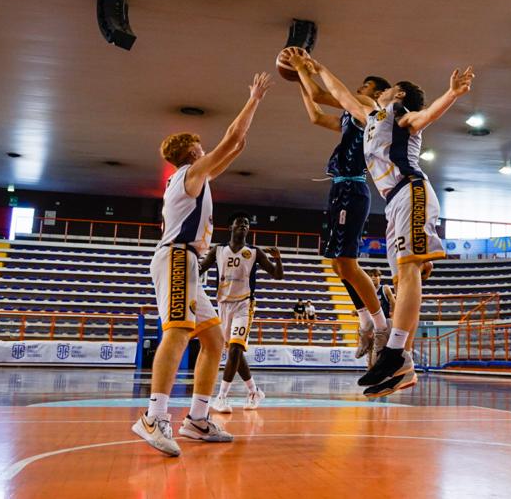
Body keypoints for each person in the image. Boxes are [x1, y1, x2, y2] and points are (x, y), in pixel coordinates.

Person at [296, 53, 474, 396]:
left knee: (408, 273)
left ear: (400, 95)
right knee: (402, 277)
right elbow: (343, 95)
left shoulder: (401, 116)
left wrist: (451, 94)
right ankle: (401, 365)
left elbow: (426, 117)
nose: (384, 90)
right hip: (393, 202)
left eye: (390, 88)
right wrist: (316, 68)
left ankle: (395, 352)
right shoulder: (371, 116)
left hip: (413, 191)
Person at [132, 71, 271, 456]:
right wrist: (254, 98)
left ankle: (196, 418)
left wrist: (244, 127)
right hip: (177, 256)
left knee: (213, 340)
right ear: (190, 153)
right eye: (198, 144)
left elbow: (236, 145)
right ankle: (154, 417)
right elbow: (230, 139)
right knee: (177, 332)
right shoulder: (188, 176)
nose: (203, 146)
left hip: (187, 262)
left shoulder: (199, 177)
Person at [289, 57, 394, 362]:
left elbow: (324, 95)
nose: (361, 87)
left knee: (347, 264)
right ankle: (365, 323)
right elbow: (317, 116)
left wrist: (303, 70)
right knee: (338, 266)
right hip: (341, 188)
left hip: (352, 188)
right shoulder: (351, 117)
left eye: (367, 84)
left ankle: (381, 325)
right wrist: (300, 82)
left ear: (377, 93)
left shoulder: (367, 107)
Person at [201, 213, 283, 414]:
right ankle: (254, 391)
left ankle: (221, 397)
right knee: (232, 353)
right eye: (240, 223)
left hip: (244, 304)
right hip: (223, 305)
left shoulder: (254, 252)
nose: (244, 226)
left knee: (236, 350)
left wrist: (278, 260)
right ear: (231, 226)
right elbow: (200, 269)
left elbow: (277, 275)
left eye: (246, 224)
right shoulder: (218, 250)